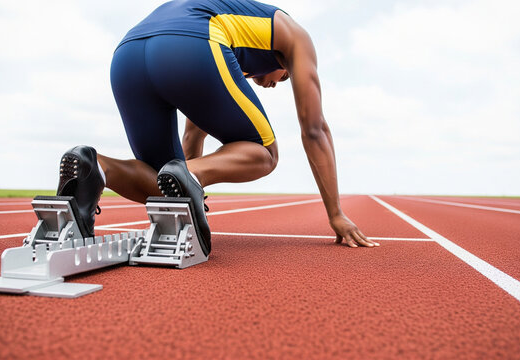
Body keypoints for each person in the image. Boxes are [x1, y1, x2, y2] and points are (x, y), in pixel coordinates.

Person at [57, 0, 379, 257]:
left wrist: (182, 196)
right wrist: (335, 213)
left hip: (127, 54)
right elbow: (315, 130)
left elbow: (192, 135)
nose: (273, 84)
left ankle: (95, 168)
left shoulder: (231, 47)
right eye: (283, 78)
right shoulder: (295, 35)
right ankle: (189, 180)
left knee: (161, 187)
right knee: (265, 152)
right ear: (285, 65)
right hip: (193, 41)